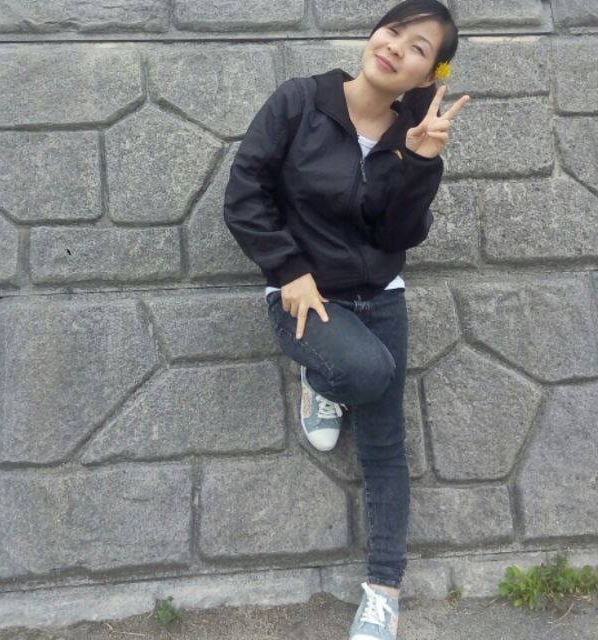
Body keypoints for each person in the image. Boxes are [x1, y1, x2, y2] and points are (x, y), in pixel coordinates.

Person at [223, 1, 469, 638]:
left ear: (427, 76)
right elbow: (245, 192)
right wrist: (287, 267)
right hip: (303, 295)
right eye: (394, 30)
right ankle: (322, 377)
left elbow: (398, 234)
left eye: (418, 48)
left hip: (381, 295)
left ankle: (383, 592)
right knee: (366, 373)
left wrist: (420, 163)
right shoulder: (301, 102)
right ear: (375, 33)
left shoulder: (410, 134)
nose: (396, 47)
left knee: (385, 445)